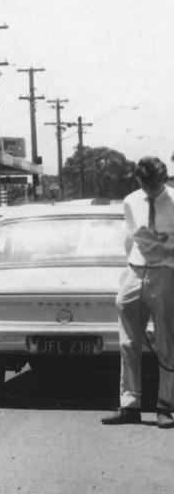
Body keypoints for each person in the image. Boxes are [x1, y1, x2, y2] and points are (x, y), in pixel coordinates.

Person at [103, 157, 174, 427]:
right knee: (128, 343)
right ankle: (129, 405)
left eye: (154, 186)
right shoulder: (131, 200)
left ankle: (165, 406)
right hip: (136, 271)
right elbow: (130, 238)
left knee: (167, 342)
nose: (149, 191)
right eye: (145, 185)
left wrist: (165, 248)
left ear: (164, 180)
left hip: (165, 272)